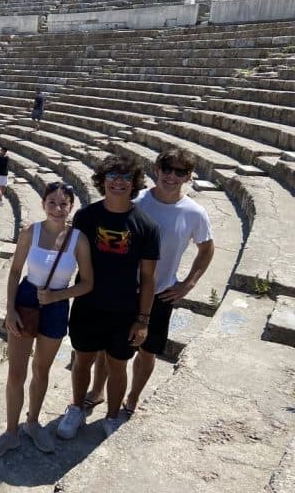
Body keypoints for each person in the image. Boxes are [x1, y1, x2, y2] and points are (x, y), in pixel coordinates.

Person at [85, 148, 214, 416]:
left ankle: (132, 397)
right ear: (157, 170)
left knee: (147, 351)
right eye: (167, 169)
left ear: (188, 177)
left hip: (160, 293)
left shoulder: (194, 213)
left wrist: (188, 284)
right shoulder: (138, 200)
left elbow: (207, 248)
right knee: (108, 349)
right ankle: (97, 391)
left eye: (180, 172)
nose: (171, 176)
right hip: (123, 290)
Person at [0, 182, 94, 458]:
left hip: (56, 306)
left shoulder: (78, 240)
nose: (58, 209)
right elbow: (14, 272)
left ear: (71, 207)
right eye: (52, 203)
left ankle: (32, 423)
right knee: (15, 373)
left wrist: (59, 296)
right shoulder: (29, 233)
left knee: (41, 370)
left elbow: (88, 284)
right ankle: (11, 433)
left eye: (63, 204)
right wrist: (10, 309)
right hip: (25, 301)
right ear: (44, 204)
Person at [57, 154, 160, 440]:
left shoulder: (146, 225)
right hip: (88, 306)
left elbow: (149, 277)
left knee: (118, 365)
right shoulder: (86, 217)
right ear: (102, 181)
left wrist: (143, 320)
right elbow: (69, 257)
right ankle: (76, 408)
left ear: (135, 183)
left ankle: (112, 416)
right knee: (82, 361)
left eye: (126, 177)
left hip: (124, 310)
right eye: (112, 176)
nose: (119, 182)